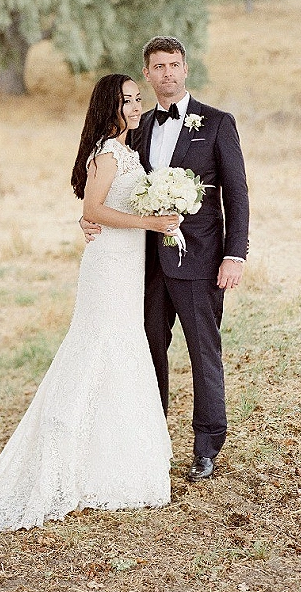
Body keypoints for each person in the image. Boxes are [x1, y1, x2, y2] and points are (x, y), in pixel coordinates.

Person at [0, 74, 178, 537]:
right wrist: (150, 222)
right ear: (107, 107)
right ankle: (69, 456)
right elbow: (92, 211)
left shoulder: (128, 151)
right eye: (125, 100)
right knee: (99, 344)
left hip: (128, 264)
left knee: (124, 346)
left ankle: (113, 460)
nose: (134, 106)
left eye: (136, 98)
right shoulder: (107, 153)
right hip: (108, 266)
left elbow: (110, 205)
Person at [81, 37, 249, 482]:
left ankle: (207, 447)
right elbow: (105, 181)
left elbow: (237, 194)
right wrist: (88, 217)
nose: (167, 73)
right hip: (143, 264)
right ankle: (149, 441)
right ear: (148, 73)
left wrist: (234, 254)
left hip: (201, 261)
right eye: (158, 66)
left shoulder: (217, 123)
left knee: (203, 353)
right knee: (147, 350)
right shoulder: (136, 126)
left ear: (185, 68)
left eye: (174, 64)